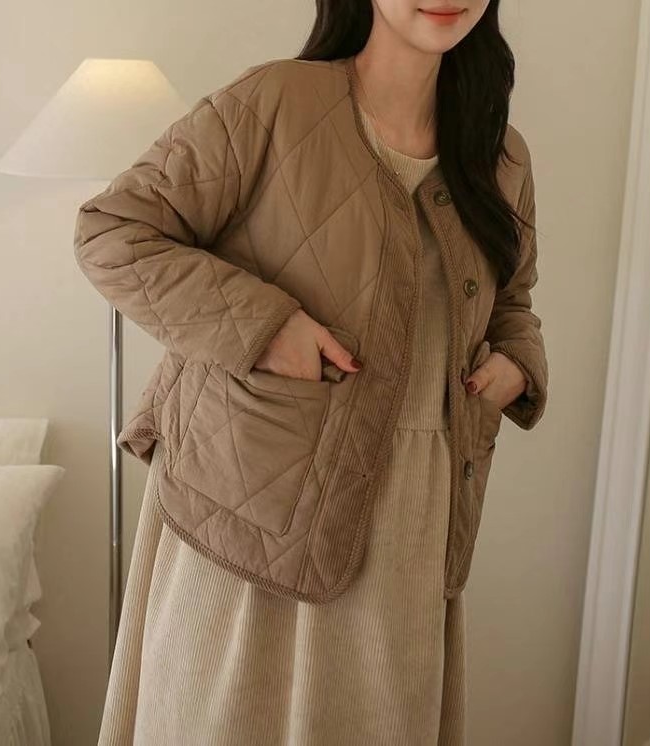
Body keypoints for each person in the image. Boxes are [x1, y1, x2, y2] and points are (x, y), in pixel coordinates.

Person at [75, 0, 548, 743]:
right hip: (252, 499)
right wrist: (265, 329)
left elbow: (513, 299)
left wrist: (518, 362)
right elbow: (113, 231)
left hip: (412, 515)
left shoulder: (501, 152)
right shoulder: (276, 101)